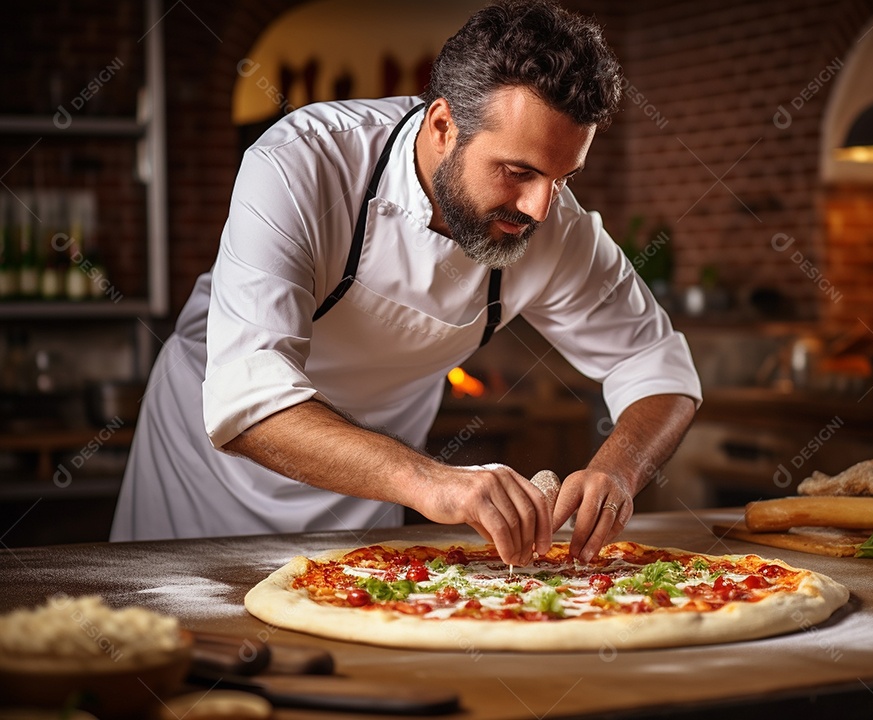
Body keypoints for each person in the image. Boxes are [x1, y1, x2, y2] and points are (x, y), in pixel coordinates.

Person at [110, 0, 701, 565]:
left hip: (368, 484)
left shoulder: (557, 226)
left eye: (563, 176)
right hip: (203, 469)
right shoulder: (304, 161)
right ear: (443, 124)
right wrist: (433, 481)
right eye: (518, 172)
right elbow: (248, 399)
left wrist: (618, 471)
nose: (541, 208)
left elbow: (660, 367)